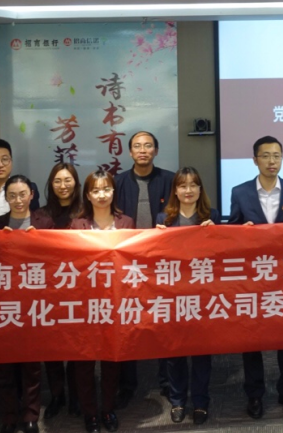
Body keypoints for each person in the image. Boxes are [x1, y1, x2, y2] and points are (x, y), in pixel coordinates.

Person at [227, 135, 283, 418]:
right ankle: (255, 395)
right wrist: (242, 232)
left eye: (277, 155)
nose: (272, 161)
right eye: (266, 156)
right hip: (254, 277)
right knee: (252, 339)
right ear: (255, 160)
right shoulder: (240, 192)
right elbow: (232, 232)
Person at [111, 131, 174, 407]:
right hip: (129, 264)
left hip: (162, 262)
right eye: (137, 146)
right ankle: (127, 384)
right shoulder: (118, 182)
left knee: (164, 321)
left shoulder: (170, 180)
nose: (143, 150)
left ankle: (167, 382)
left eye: (148, 145)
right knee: (128, 322)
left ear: (156, 151)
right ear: (130, 152)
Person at [155, 167, 220, 426]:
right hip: (174, 296)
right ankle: (178, 400)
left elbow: (223, 256)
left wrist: (217, 234)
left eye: (193, 185)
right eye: (183, 185)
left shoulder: (211, 216)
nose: (188, 190)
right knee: (175, 353)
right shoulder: (164, 218)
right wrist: (157, 239)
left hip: (203, 296)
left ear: (200, 189)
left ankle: (201, 401)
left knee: (202, 353)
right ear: (175, 190)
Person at [70, 171, 134, 433]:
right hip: (85, 303)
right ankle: (90, 413)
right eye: (95, 190)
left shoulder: (126, 222)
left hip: (116, 302)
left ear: (113, 191)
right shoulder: (77, 225)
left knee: (111, 359)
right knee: (84, 362)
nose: (101, 195)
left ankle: (107, 409)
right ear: (87, 195)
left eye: (106, 189)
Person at [0, 175, 44, 433]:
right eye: (12, 195)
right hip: (4, 303)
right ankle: (9, 416)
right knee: (4, 365)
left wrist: (40, 242)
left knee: (32, 365)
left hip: (35, 303)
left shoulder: (45, 223)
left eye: (22, 194)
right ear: (5, 198)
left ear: (32, 194)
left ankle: (31, 415)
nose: (18, 200)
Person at [31, 163, 83, 418]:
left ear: (76, 183)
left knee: (77, 347)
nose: (63, 186)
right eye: (57, 181)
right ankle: (57, 395)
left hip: (79, 289)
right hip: (48, 290)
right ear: (50, 185)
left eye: (68, 180)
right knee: (51, 347)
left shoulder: (86, 212)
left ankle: (76, 395)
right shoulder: (39, 216)